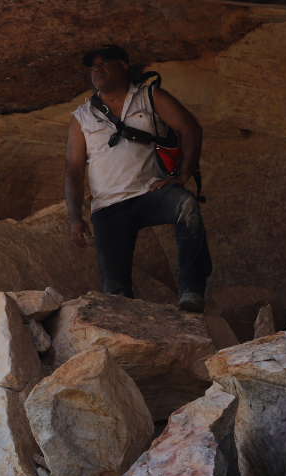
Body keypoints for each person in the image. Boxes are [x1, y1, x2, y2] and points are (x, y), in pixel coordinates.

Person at [64, 45, 211, 312]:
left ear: (123, 67)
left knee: (186, 204)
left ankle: (191, 290)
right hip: (108, 206)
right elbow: (73, 168)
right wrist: (75, 216)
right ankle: (129, 329)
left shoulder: (149, 97)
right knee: (115, 293)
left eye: (105, 62)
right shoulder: (82, 116)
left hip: (150, 193)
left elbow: (190, 128)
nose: (97, 69)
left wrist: (182, 176)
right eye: (93, 66)